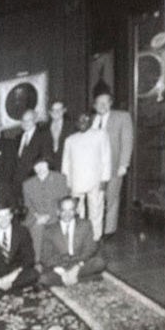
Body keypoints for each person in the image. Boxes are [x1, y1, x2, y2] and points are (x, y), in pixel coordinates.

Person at [63, 106, 113, 235]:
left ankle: (95, 237)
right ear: (76, 123)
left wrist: (105, 179)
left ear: (90, 120)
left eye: (85, 119)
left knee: (96, 210)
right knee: (77, 210)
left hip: (95, 181)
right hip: (76, 181)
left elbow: (106, 158)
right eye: (79, 120)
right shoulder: (70, 140)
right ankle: (78, 236)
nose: (82, 122)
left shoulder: (100, 134)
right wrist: (67, 183)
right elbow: (66, 163)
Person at [94, 83, 134, 233]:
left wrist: (124, 164)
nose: (102, 105)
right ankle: (96, 228)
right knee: (96, 199)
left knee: (111, 198)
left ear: (110, 103)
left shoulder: (122, 117)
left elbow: (127, 140)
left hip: (114, 165)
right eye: (99, 103)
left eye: (106, 102)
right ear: (95, 105)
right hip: (94, 168)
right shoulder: (91, 120)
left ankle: (109, 230)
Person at [46, 197, 101, 286]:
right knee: (43, 278)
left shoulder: (85, 225)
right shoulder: (50, 230)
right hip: (60, 265)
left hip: (79, 263)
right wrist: (62, 272)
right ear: (58, 212)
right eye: (64, 210)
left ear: (76, 211)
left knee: (99, 262)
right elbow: (46, 256)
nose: (67, 214)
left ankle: (69, 279)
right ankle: (83, 279)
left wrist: (77, 267)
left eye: (71, 210)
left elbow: (90, 248)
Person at [23, 153, 69, 247]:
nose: (40, 167)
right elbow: (28, 205)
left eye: (43, 164)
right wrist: (37, 216)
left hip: (56, 215)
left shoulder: (60, 178)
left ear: (48, 164)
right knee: (37, 227)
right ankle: (37, 260)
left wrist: (49, 215)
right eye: (36, 165)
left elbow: (63, 202)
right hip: (36, 217)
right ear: (33, 168)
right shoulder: (27, 184)